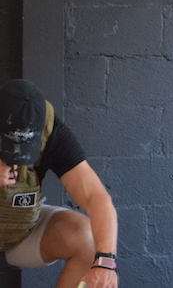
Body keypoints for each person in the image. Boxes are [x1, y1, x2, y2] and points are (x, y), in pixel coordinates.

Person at [0, 79, 118, 288]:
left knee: (87, 237)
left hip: (19, 228)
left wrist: (105, 263)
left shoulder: (51, 131)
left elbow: (96, 197)